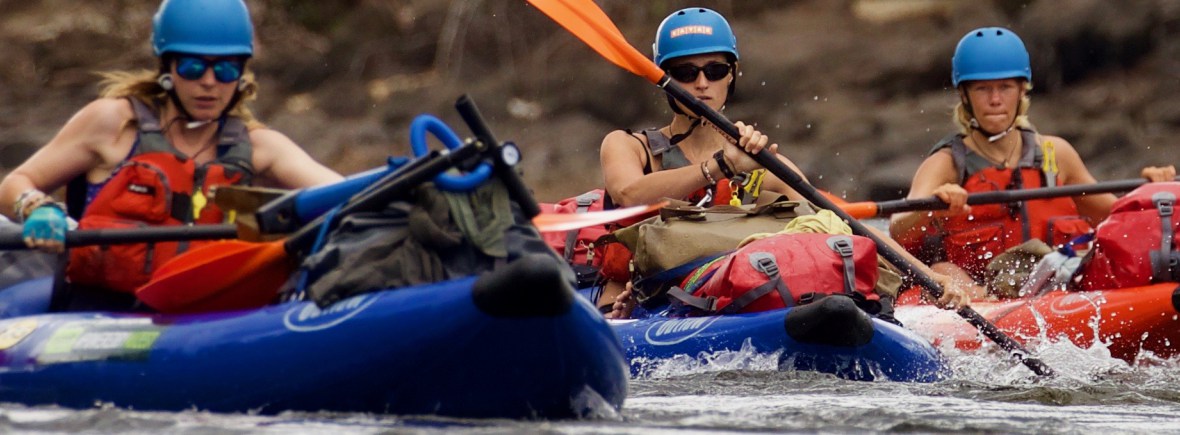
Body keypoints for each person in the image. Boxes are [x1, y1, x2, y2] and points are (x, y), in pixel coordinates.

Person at [599, 7, 970, 318]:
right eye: (685, 72)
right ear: (664, 78)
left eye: (714, 71)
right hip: (649, 295)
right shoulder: (629, 146)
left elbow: (840, 219)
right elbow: (629, 193)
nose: (701, 84)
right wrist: (721, 166)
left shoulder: (757, 161)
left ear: (732, 75)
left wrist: (928, 279)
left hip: (732, 296)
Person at [0, 0, 343, 309]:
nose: (209, 82)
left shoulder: (260, 148)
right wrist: (35, 208)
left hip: (202, 318)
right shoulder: (113, 124)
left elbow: (342, 195)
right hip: (97, 310)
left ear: (240, 74)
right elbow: (15, 183)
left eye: (225, 70)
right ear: (168, 67)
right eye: (193, 68)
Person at [889, 27, 1175, 299]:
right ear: (964, 95)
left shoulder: (1055, 153)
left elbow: (1114, 220)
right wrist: (931, 205)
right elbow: (898, 228)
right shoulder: (948, 162)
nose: (995, 99)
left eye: (1005, 87)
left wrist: (1150, 195)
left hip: (1058, 282)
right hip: (982, 294)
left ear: (1022, 90)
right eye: (982, 89)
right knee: (943, 270)